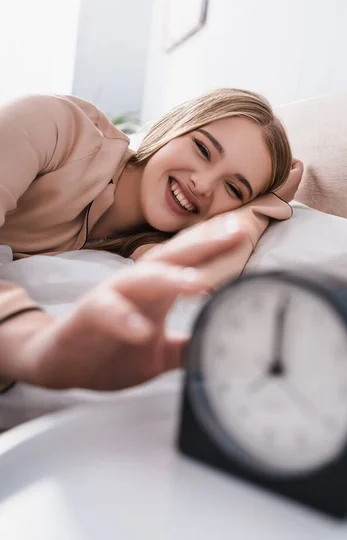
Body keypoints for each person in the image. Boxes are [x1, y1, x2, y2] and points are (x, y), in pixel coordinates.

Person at [0, 89, 303, 393]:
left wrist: (259, 210)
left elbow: (201, 279)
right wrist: (34, 345)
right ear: (173, 127)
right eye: (202, 149)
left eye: (234, 189)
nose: (203, 184)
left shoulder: (140, 242)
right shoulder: (54, 126)